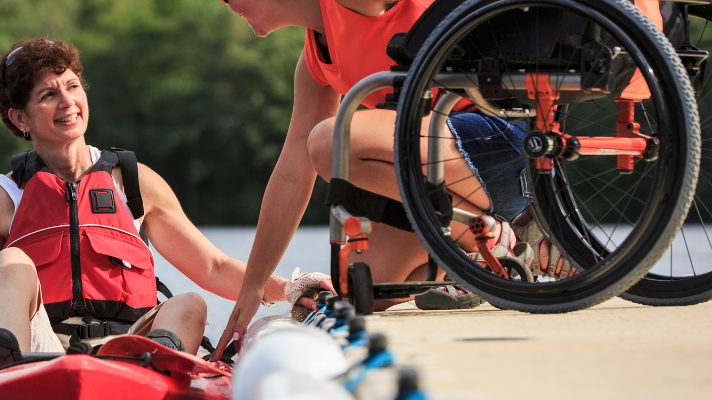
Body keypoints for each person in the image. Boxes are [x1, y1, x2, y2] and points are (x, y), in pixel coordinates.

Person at [206, 0, 638, 361]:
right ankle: (486, 255)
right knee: (364, 291)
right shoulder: (314, 63)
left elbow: (319, 153)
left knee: (329, 141)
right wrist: (254, 286)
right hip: (441, 170)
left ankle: (482, 236)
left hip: (502, 142)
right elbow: (289, 175)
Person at [0, 38, 297, 375]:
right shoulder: (1, 198)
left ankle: (151, 365)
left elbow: (213, 268)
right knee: (10, 265)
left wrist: (292, 288)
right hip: (40, 351)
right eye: (48, 95)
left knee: (189, 304)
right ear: (19, 118)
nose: (68, 102)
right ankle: (3, 369)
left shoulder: (135, 181)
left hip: (129, 347)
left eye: (73, 86)